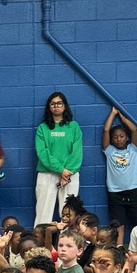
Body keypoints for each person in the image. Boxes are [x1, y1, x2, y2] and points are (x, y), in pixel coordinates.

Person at [34, 92, 82, 227]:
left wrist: (67, 172)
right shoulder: (43, 128)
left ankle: (69, 243)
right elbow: (42, 153)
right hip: (47, 174)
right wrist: (60, 170)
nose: (56, 106)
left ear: (65, 106)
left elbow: (77, 152)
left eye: (59, 103)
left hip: (70, 174)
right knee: (43, 212)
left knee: (69, 213)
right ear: (49, 107)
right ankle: (40, 245)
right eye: (53, 104)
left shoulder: (74, 127)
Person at [102, 107, 137, 246]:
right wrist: (113, 114)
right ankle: (119, 249)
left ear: (127, 138)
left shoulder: (133, 149)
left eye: (121, 136)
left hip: (133, 191)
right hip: (115, 193)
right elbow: (106, 130)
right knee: (119, 225)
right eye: (115, 137)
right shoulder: (109, 151)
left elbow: (135, 130)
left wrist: (123, 118)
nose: (118, 140)